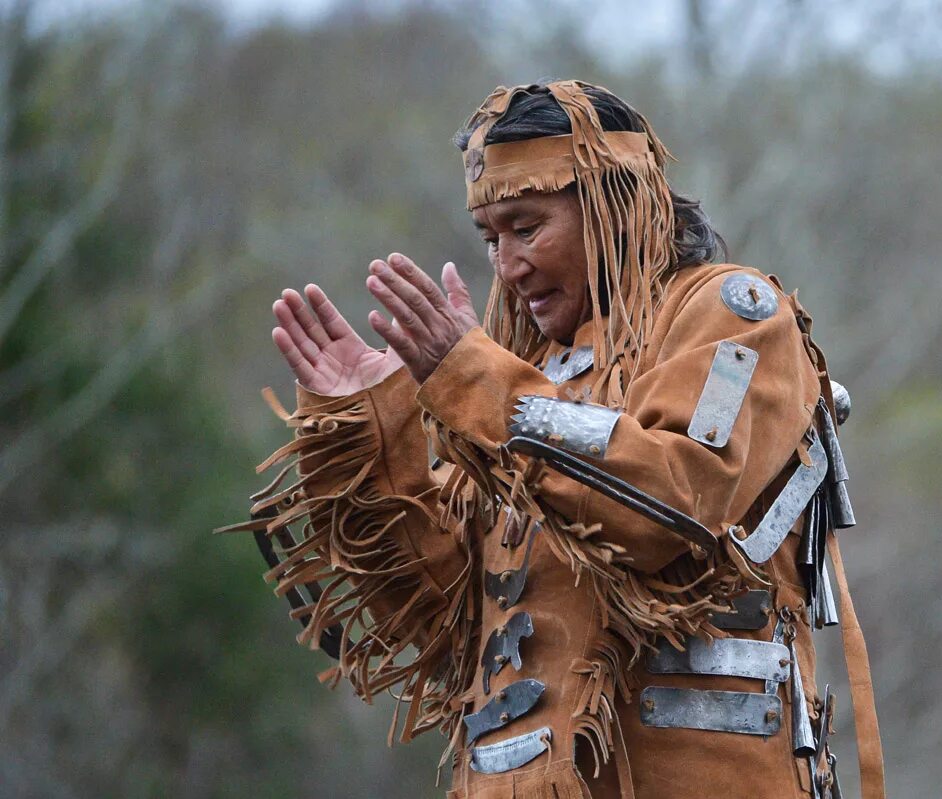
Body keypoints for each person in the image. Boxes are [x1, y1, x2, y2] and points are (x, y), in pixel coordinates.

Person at [238, 80, 884, 799]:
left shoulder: (729, 314)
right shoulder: (521, 383)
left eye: (526, 226)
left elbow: (673, 501)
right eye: (490, 238)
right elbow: (442, 621)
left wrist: (478, 384)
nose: (507, 265)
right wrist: (370, 434)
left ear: (615, 205)